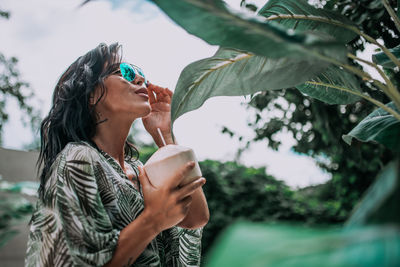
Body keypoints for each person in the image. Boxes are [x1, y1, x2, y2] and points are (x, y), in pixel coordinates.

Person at [25, 43, 209, 267]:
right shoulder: (78, 158)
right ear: (91, 94)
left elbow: (196, 218)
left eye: (141, 74)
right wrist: (153, 220)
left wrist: (166, 135)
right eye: (123, 71)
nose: (140, 80)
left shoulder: (139, 169)